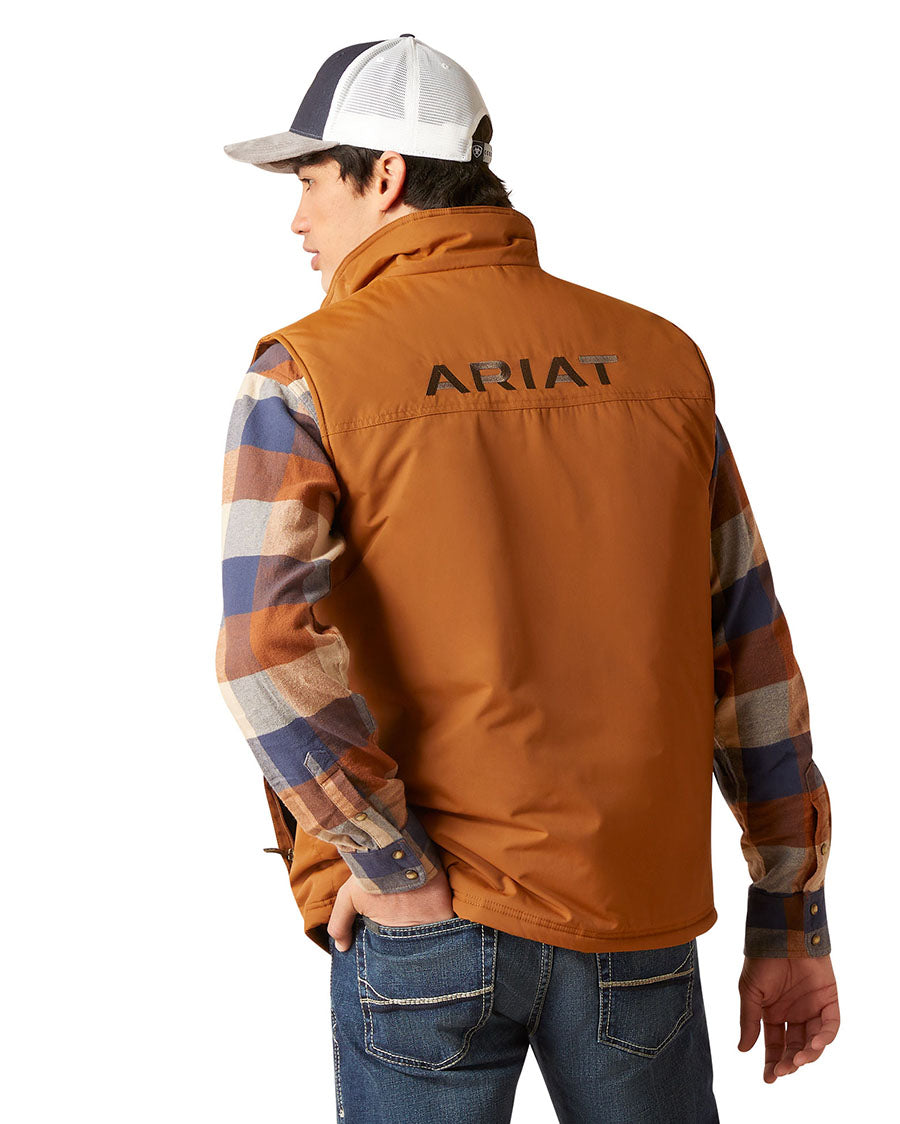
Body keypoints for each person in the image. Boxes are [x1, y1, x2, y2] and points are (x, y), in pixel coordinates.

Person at [216, 33, 840, 1123]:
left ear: (386, 175)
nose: (298, 221)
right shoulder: (661, 360)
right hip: (632, 913)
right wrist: (790, 918)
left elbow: (262, 652)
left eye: (311, 181)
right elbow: (749, 653)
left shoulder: (307, 370)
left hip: (432, 918)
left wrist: (390, 863)